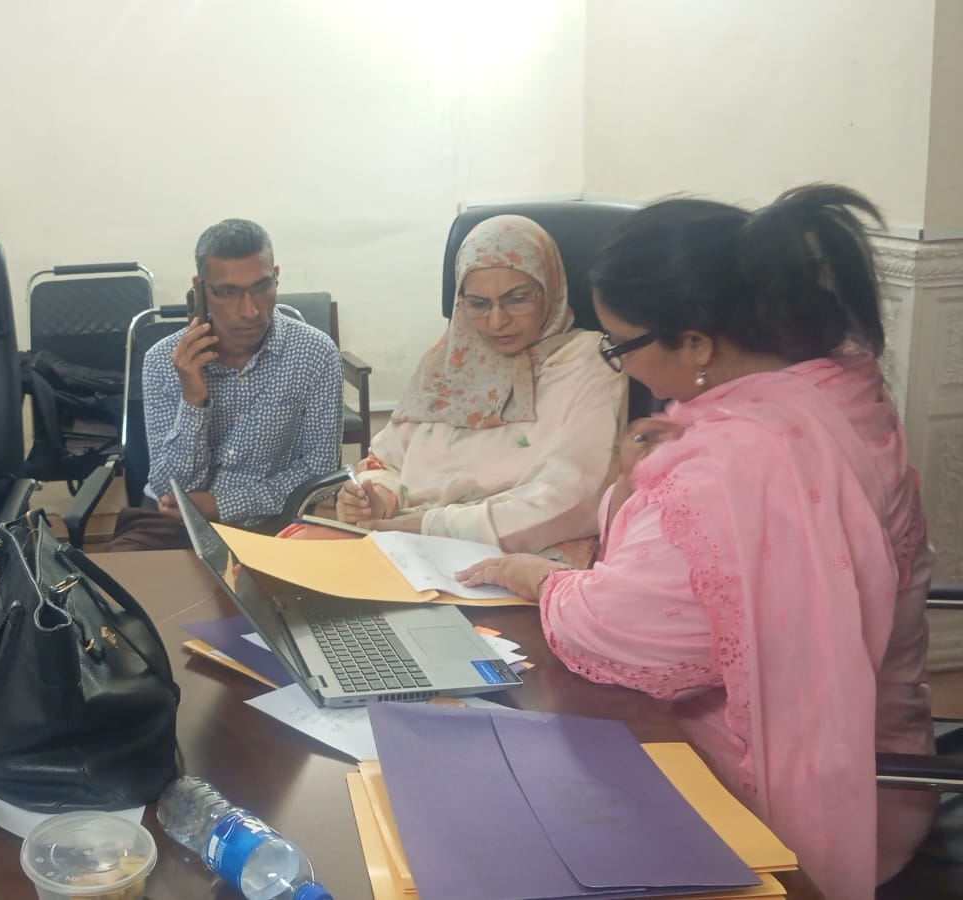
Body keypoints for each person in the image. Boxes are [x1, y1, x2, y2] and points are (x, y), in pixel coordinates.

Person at [454, 185, 934, 898]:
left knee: (510, 809)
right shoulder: (834, 383)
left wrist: (537, 578)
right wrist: (634, 481)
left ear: (698, 343)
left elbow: (617, 633)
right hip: (880, 747)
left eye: (621, 345)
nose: (621, 363)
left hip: (802, 789)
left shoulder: (736, 460)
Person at [335, 215, 626, 557]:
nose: (497, 321)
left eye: (518, 299)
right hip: (407, 546)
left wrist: (430, 526)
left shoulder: (590, 362)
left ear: (551, 290)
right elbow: (388, 462)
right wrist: (376, 497)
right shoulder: (450, 361)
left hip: (522, 559)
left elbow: (576, 497)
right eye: (478, 304)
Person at [108, 218, 342, 551]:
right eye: (228, 292)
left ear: (276, 275)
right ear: (200, 288)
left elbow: (318, 473)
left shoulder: (315, 353)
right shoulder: (163, 360)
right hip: (177, 525)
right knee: (119, 579)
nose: (250, 311)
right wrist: (193, 400)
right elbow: (168, 489)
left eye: (262, 287)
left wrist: (223, 504)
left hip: (273, 523)